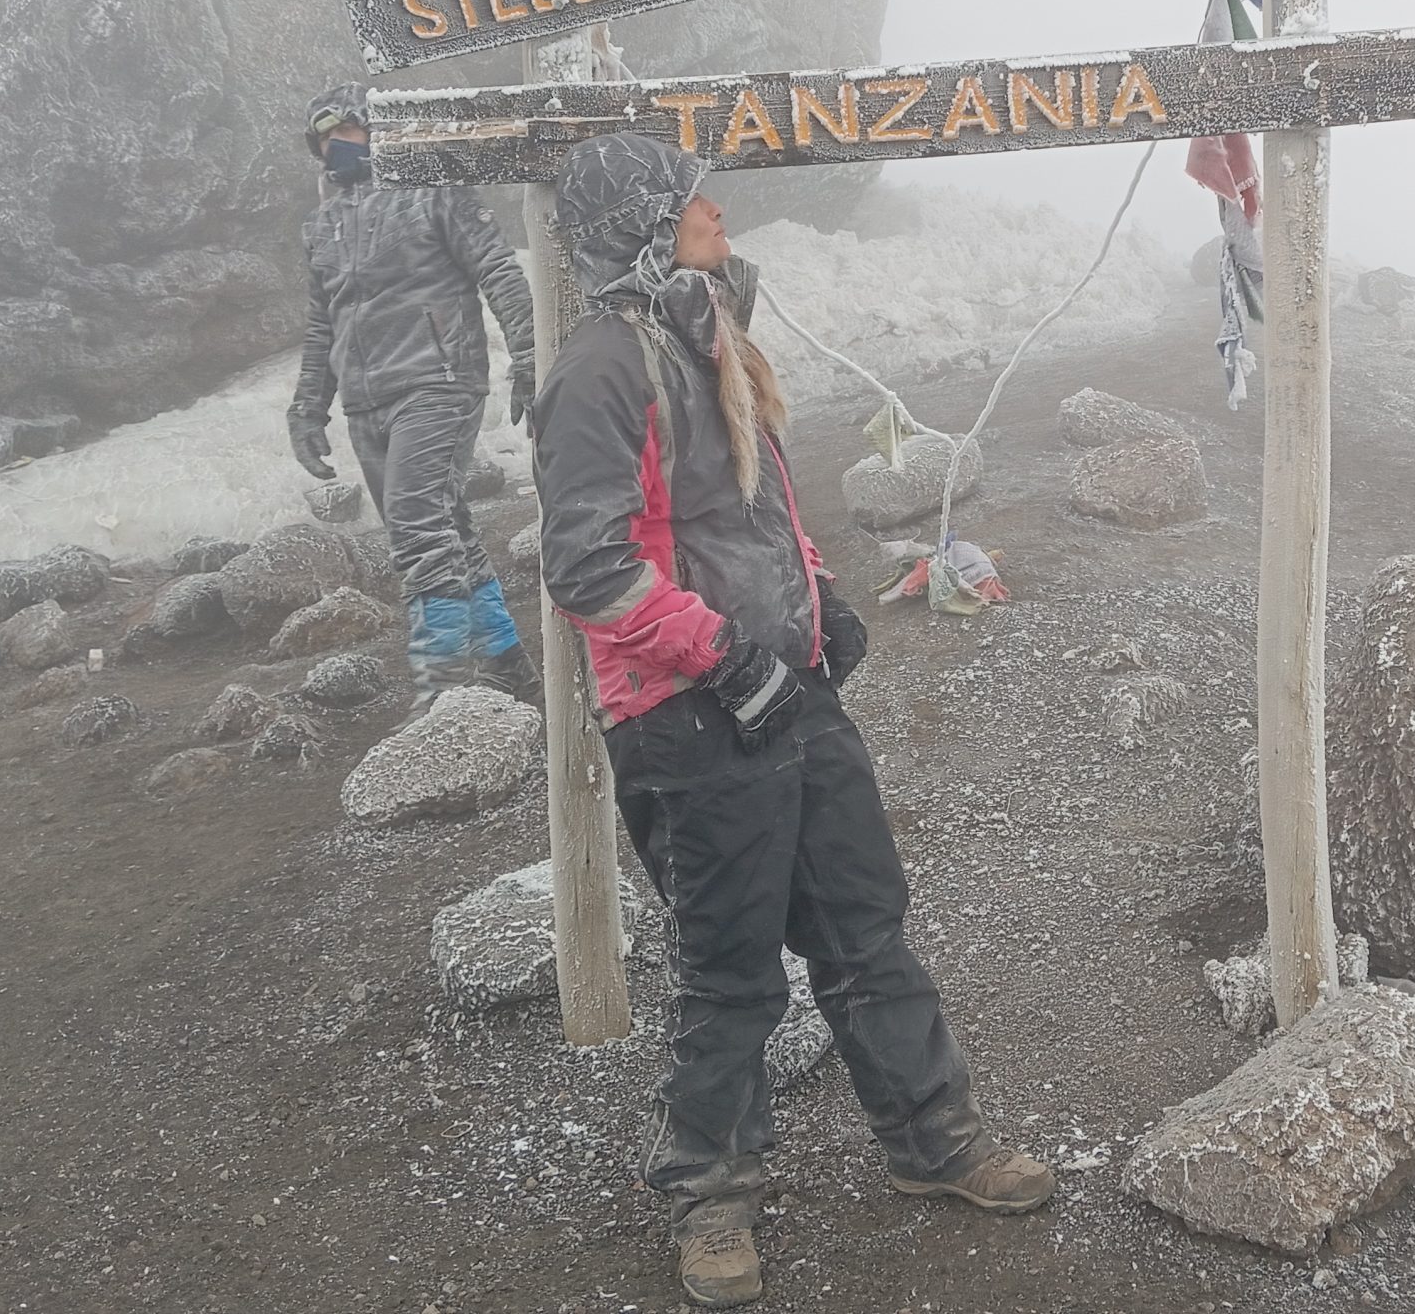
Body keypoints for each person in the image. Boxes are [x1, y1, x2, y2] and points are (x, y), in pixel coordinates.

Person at [531, 133, 1052, 1310]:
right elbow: (588, 567)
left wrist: (815, 606)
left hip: (785, 684)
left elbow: (751, 510)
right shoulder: (602, 367)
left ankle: (933, 1140)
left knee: (866, 922)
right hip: (689, 712)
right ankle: (710, 1197)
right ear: (642, 227)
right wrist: (725, 656)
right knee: (729, 970)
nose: (715, 210)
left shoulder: (706, 330)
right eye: (687, 199)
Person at [287, 83, 540, 715]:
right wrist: (307, 409)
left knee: (415, 528)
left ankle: (442, 690)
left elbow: (498, 269)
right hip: (365, 403)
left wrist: (531, 356)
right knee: (446, 524)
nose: (329, 147)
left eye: (340, 131)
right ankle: (508, 665)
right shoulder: (320, 225)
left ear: (376, 129)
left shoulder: (436, 189)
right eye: (320, 139)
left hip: (440, 380)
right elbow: (323, 323)